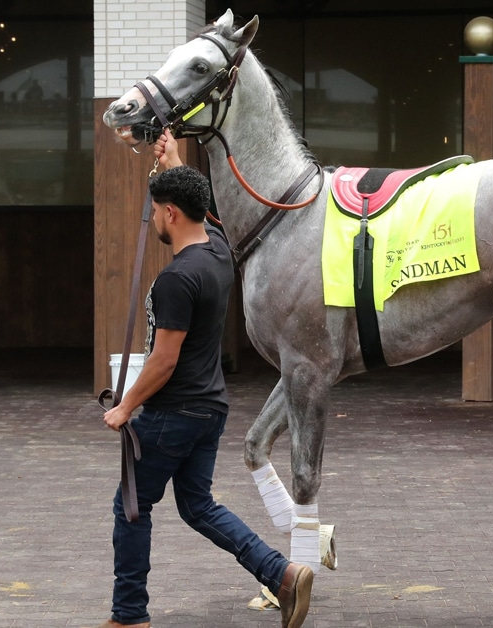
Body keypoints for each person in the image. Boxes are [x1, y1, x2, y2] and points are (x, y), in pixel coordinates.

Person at [99, 129, 313, 628]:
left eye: (157, 209)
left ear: (171, 213)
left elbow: (164, 359)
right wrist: (173, 159)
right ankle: (281, 574)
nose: (154, 218)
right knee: (196, 505)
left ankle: (129, 615)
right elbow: (205, 209)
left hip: (173, 413)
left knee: (130, 507)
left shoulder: (177, 277)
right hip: (210, 410)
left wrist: (126, 406)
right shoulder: (217, 250)